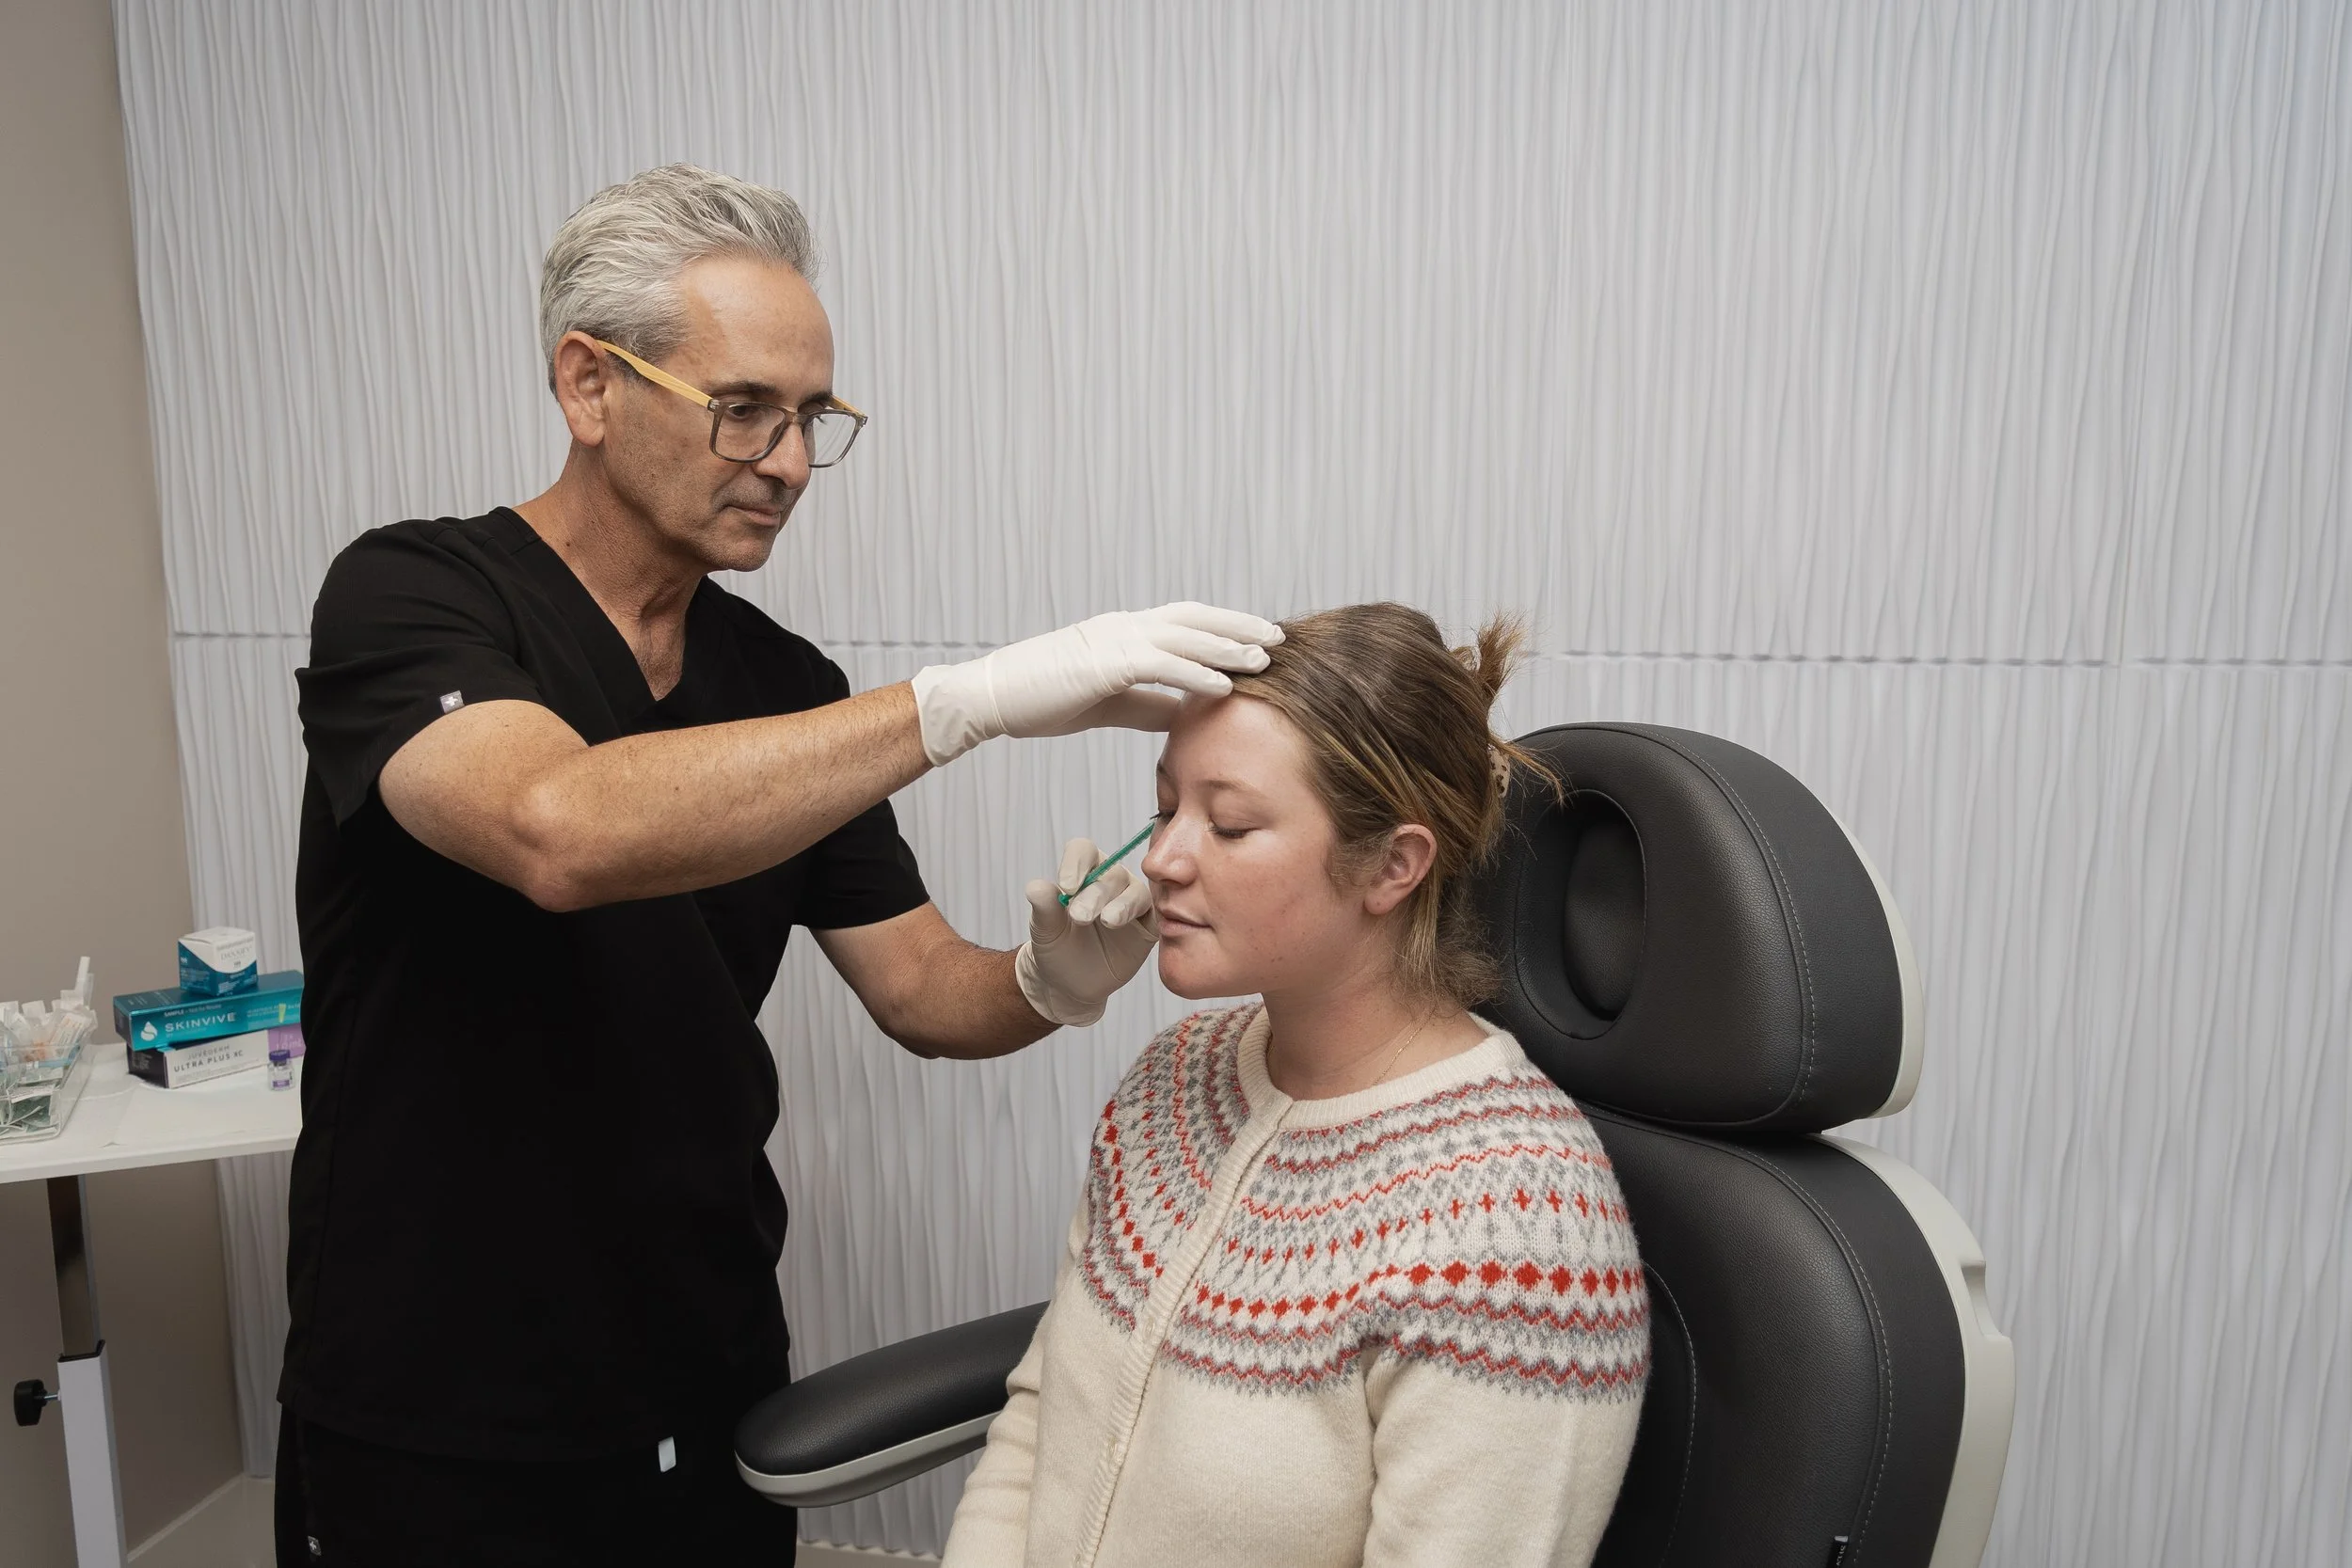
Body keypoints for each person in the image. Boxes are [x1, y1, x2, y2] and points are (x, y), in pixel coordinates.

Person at [275, 165, 1276, 1567]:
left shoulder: (786, 686)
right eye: (744, 407)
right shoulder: (416, 593)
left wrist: (1054, 977)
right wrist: (961, 702)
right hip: (440, 1378)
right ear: (589, 385)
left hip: (703, 1351)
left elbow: (929, 991)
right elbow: (554, 826)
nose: (792, 460)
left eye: (814, 418)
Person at [942, 604, 1651, 1568]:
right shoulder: (1177, 1076)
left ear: (1392, 865)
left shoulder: (1518, 1224)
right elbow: (1042, 1420)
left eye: (1229, 823)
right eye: (1164, 808)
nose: (1162, 858)